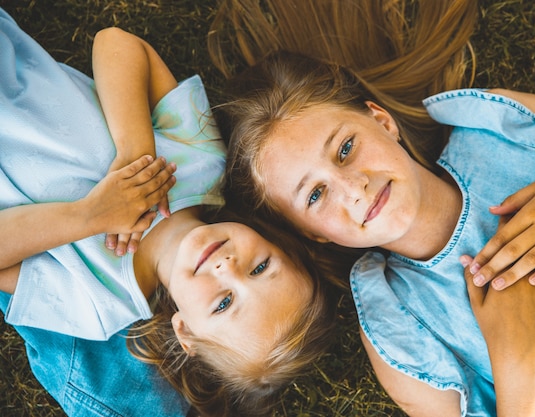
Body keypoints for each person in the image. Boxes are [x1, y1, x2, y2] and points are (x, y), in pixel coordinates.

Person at [207, 0, 535, 415]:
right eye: (315, 195)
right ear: (311, 233)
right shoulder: (398, 324)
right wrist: (517, 357)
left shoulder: (492, 129)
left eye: (345, 149)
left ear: (382, 120)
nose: (354, 188)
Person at [0, 8, 338, 417]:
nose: (227, 268)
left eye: (223, 304)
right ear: (275, 241)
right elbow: (117, 43)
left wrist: (90, 216)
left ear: (186, 332)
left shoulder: (99, 302)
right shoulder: (202, 162)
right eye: (261, 267)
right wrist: (135, 152)